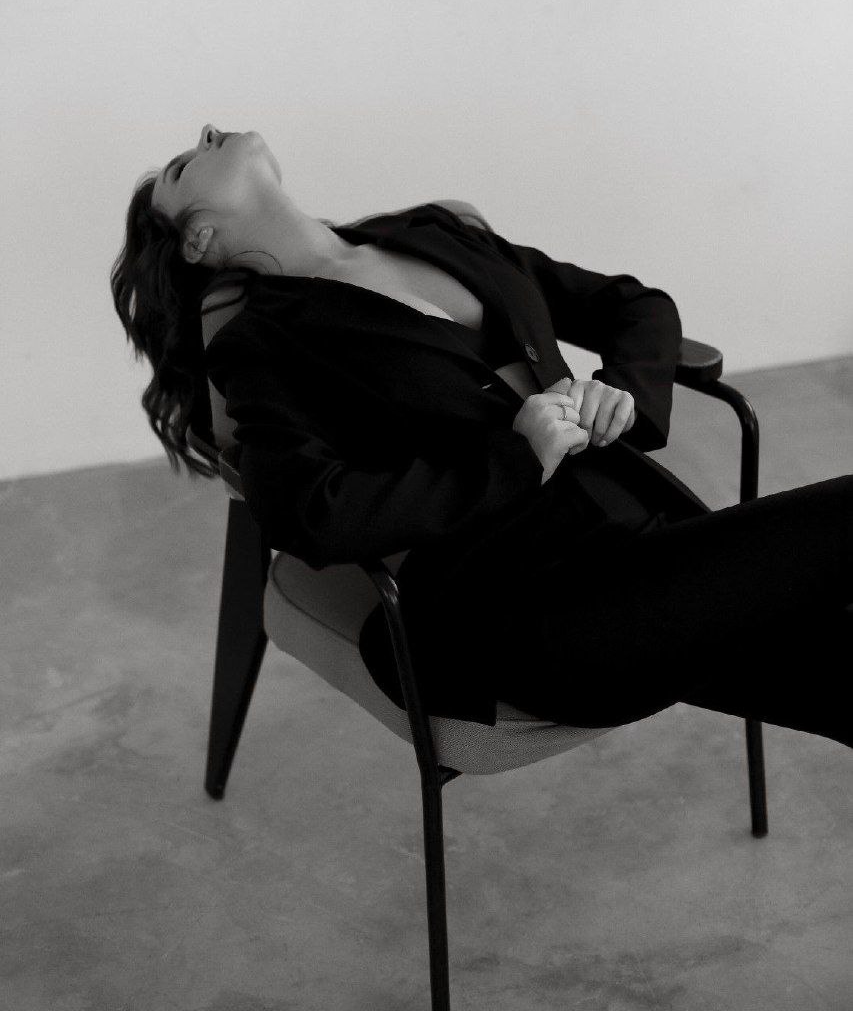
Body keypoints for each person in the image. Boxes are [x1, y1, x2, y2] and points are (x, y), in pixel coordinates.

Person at [111, 124, 853, 749]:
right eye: (182, 166)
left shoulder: (434, 234)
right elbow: (309, 513)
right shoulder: (262, 342)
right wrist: (514, 457)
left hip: (647, 535)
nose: (208, 132)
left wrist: (622, 391)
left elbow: (633, 305)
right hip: (527, 603)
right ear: (199, 238)